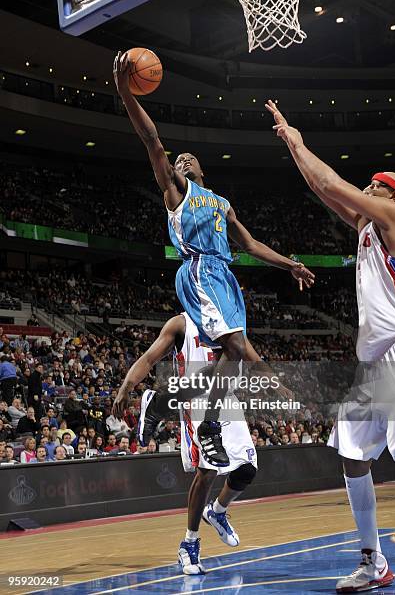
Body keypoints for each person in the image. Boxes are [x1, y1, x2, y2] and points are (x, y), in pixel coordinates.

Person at [113, 52, 314, 467]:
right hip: (200, 269)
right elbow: (152, 140)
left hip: (225, 276)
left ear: (202, 166)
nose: (182, 160)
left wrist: (289, 263)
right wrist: (124, 92)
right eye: (178, 160)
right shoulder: (176, 190)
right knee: (237, 350)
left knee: (235, 355)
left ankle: (174, 407)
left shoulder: (222, 203)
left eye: (188, 158)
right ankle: (194, 419)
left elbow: (253, 245)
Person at [266, 100, 395, 593]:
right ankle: (373, 559)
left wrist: (301, 141)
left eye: (373, 186)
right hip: (375, 364)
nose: (364, 190)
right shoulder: (371, 229)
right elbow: (322, 190)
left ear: (392, 196)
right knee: (352, 452)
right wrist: (292, 144)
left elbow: (332, 184)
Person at [113, 313, 265, 575]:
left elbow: (254, 357)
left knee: (247, 470)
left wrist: (278, 382)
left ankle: (217, 512)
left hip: (226, 399)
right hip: (197, 402)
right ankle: (189, 543)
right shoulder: (180, 323)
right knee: (208, 471)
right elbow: (149, 359)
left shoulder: (231, 320)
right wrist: (125, 387)